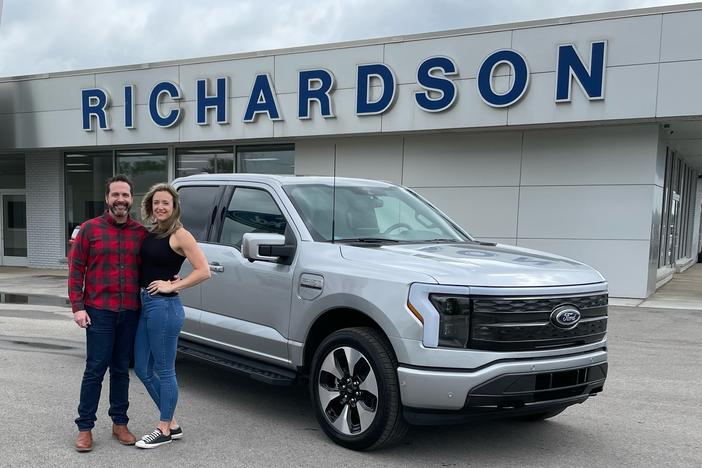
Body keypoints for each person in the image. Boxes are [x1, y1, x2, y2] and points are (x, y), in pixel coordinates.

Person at [69, 174, 148, 452]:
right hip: (99, 311)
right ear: (107, 198)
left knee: (121, 371)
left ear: (131, 198)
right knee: (94, 370)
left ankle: (119, 423)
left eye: (125, 195)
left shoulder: (140, 233)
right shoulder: (89, 230)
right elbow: (76, 269)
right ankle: (85, 427)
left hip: (129, 312)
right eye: (115, 195)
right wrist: (78, 307)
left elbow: (153, 266)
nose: (120, 200)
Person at [133, 183, 210, 449]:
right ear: (150, 206)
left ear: (175, 206)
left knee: (164, 370)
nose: (160, 207)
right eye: (156, 203)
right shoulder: (152, 232)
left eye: (166, 203)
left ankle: (164, 427)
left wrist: (172, 285)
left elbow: (203, 270)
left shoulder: (180, 234)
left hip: (164, 308)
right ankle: (172, 424)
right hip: (146, 304)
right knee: (142, 368)